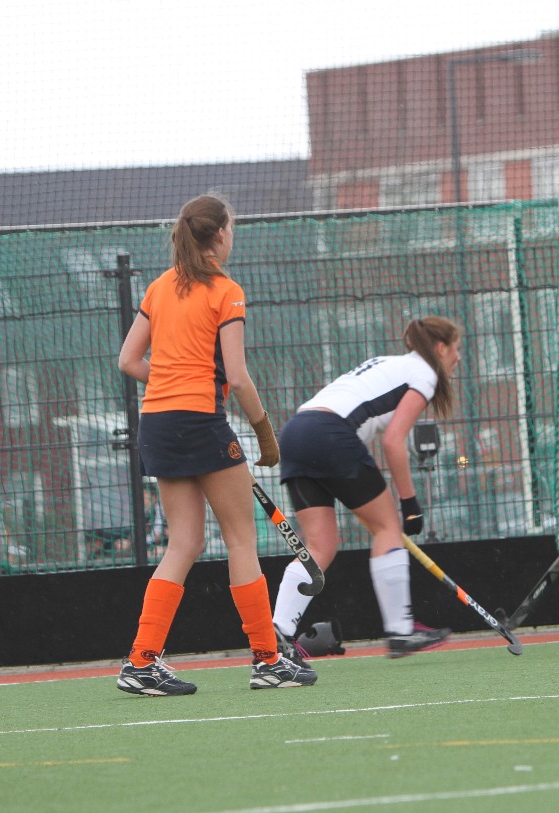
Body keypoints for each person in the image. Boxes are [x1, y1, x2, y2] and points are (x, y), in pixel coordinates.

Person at [114, 193, 315, 695]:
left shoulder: (159, 287)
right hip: (201, 421)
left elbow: (128, 360)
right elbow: (239, 377)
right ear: (220, 234)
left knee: (183, 542)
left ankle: (141, 662)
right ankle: (268, 661)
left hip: (157, 423)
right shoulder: (226, 291)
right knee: (241, 540)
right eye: (232, 229)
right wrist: (265, 432)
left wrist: (171, 380)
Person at [270, 317, 462, 660]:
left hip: (296, 432)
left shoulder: (389, 364)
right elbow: (393, 441)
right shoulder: (425, 374)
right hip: (330, 433)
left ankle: (278, 634)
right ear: (440, 348)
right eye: (456, 349)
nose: (458, 358)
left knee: (320, 545)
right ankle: (401, 630)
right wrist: (409, 503)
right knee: (387, 528)